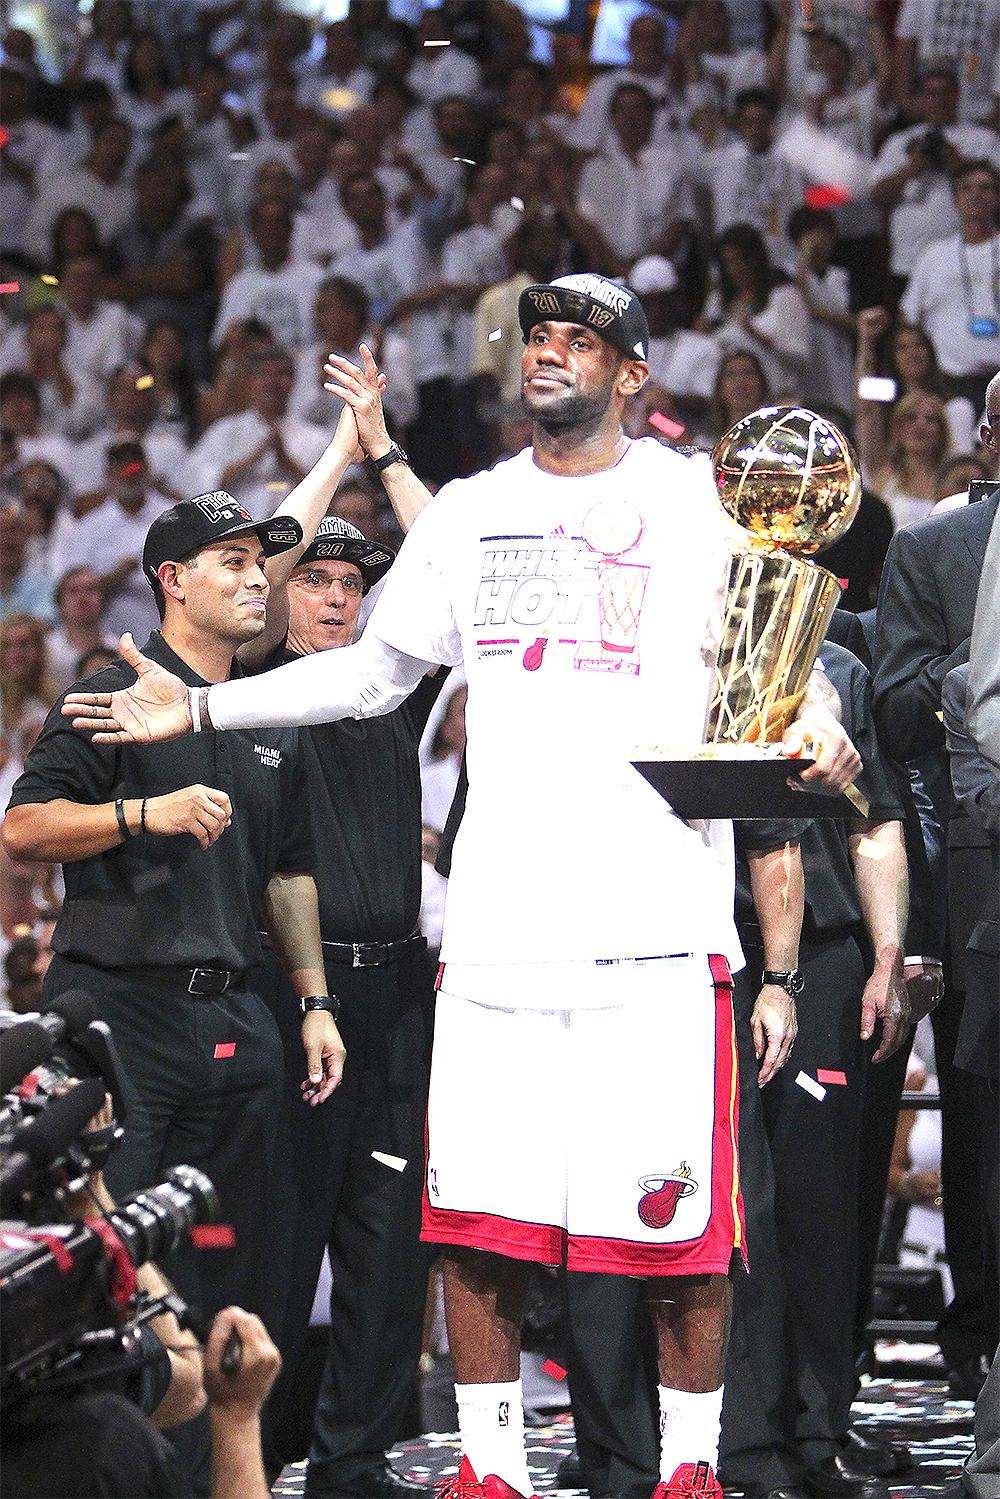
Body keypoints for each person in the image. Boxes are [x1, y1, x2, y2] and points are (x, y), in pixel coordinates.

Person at [60, 272, 862, 1499]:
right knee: (475, 1221)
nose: (549, 353)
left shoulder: (694, 497)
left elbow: (771, 652)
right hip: (495, 938)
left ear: (631, 374)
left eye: (579, 340)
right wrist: (207, 699)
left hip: (654, 929)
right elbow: (369, 675)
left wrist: (820, 722)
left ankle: (689, 1470)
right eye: (537, 336)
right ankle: (488, 1469)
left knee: (680, 1232)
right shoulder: (471, 514)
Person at [2, 489, 344, 1335]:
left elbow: (289, 875)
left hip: (239, 1013)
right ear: (172, 580)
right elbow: (23, 826)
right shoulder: (112, 692)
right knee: (109, 1260)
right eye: (232, 562)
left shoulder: (270, 710)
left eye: (260, 563)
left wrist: (315, 1000)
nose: (258, 579)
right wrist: (140, 813)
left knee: (234, 1265)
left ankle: (222, 1459)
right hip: (120, 1016)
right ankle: (108, 1460)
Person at [249, 346, 443, 1497]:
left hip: (396, 999)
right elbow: (256, 553)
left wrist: (385, 444)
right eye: (315, 579)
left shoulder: (390, 684)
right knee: (283, 1236)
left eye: (349, 582)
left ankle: (357, 1460)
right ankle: (250, 1445)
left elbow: (451, 560)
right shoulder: (246, 689)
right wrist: (333, 453)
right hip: (289, 999)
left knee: (387, 1233)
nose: (335, 594)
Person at [872, 369, 1000, 1396]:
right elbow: (897, 703)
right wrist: (983, 665)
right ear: (987, 437)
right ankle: (984, 1343)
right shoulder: (930, 547)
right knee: (982, 1113)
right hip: (976, 870)